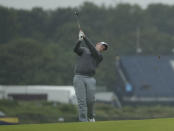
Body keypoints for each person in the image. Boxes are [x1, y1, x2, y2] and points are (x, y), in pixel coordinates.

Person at [73, 30, 109, 122]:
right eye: (102, 46)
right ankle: (83, 121)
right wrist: (80, 40)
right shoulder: (85, 50)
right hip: (79, 77)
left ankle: (90, 116)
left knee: (90, 100)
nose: (102, 48)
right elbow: (76, 50)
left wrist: (85, 38)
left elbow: (93, 49)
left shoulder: (99, 56)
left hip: (90, 79)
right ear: (97, 44)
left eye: (104, 48)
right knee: (82, 101)